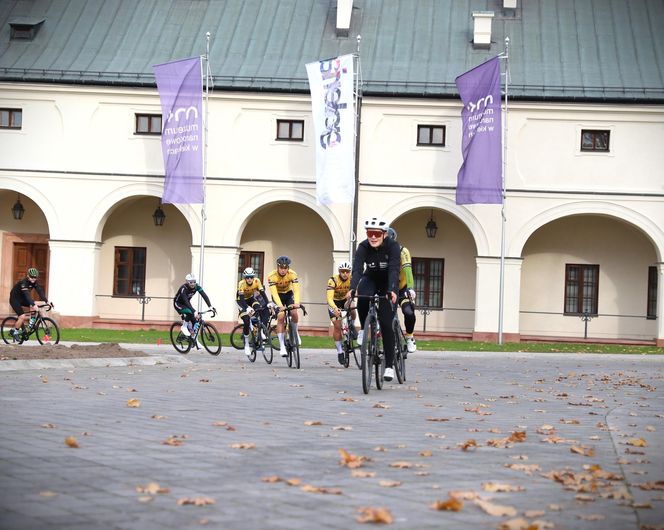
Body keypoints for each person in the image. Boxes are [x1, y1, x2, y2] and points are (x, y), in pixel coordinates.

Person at [348, 217, 401, 381]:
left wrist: (392, 289)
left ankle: (389, 367)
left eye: (376, 234)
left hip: (387, 282)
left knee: (386, 323)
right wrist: (352, 288)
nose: (373, 237)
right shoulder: (363, 246)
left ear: (384, 234)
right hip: (370, 278)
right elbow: (357, 269)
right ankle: (364, 329)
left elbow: (393, 269)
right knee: (363, 295)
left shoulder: (393, 246)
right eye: (370, 233)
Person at [387, 227, 417, 355]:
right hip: (388, 287)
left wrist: (410, 288)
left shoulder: (402, 251)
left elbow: (408, 270)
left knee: (408, 312)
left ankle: (409, 337)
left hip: (402, 287)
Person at [267, 255, 301, 357]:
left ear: (288, 268)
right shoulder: (272, 276)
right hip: (278, 296)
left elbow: (296, 290)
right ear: (278, 267)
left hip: (288, 294)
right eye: (281, 268)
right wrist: (280, 306)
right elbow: (274, 293)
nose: (283, 270)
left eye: (285, 268)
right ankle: (282, 345)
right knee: (281, 316)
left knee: (294, 312)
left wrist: (297, 302)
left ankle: (295, 332)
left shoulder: (292, 274)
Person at [326, 262, 357, 365]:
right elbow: (329, 298)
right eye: (342, 271)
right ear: (339, 272)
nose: (345, 274)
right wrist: (335, 308)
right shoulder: (333, 280)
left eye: (347, 272)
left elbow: (357, 292)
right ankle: (340, 351)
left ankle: (351, 325)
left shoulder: (352, 280)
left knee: (352, 307)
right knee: (337, 326)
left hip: (345, 301)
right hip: (334, 303)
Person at [236, 267, 271, 357]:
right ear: (244, 277)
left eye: (251, 277)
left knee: (260, 309)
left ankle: (261, 330)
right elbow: (242, 299)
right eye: (247, 277)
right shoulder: (241, 283)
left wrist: (268, 303)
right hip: (241, 302)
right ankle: (247, 344)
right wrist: (247, 308)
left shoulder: (257, 281)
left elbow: (262, 293)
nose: (249, 279)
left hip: (251, 299)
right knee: (247, 320)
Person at [8, 267, 49, 341]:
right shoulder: (23, 283)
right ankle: (14, 332)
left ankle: (30, 325)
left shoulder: (35, 282)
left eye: (35, 277)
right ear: (28, 276)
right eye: (32, 277)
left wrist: (47, 301)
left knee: (33, 305)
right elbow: (27, 295)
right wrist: (33, 304)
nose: (33, 279)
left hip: (23, 299)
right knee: (22, 316)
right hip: (15, 299)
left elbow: (40, 291)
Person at [173, 273, 215, 339]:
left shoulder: (197, 286)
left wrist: (210, 306)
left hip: (186, 304)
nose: (193, 284)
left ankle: (193, 339)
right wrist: (194, 311)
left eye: (194, 282)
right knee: (190, 312)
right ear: (187, 282)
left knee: (195, 321)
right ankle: (184, 326)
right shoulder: (183, 288)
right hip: (178, 304)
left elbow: (204, 295)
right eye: (191, 282)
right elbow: (186, 301)